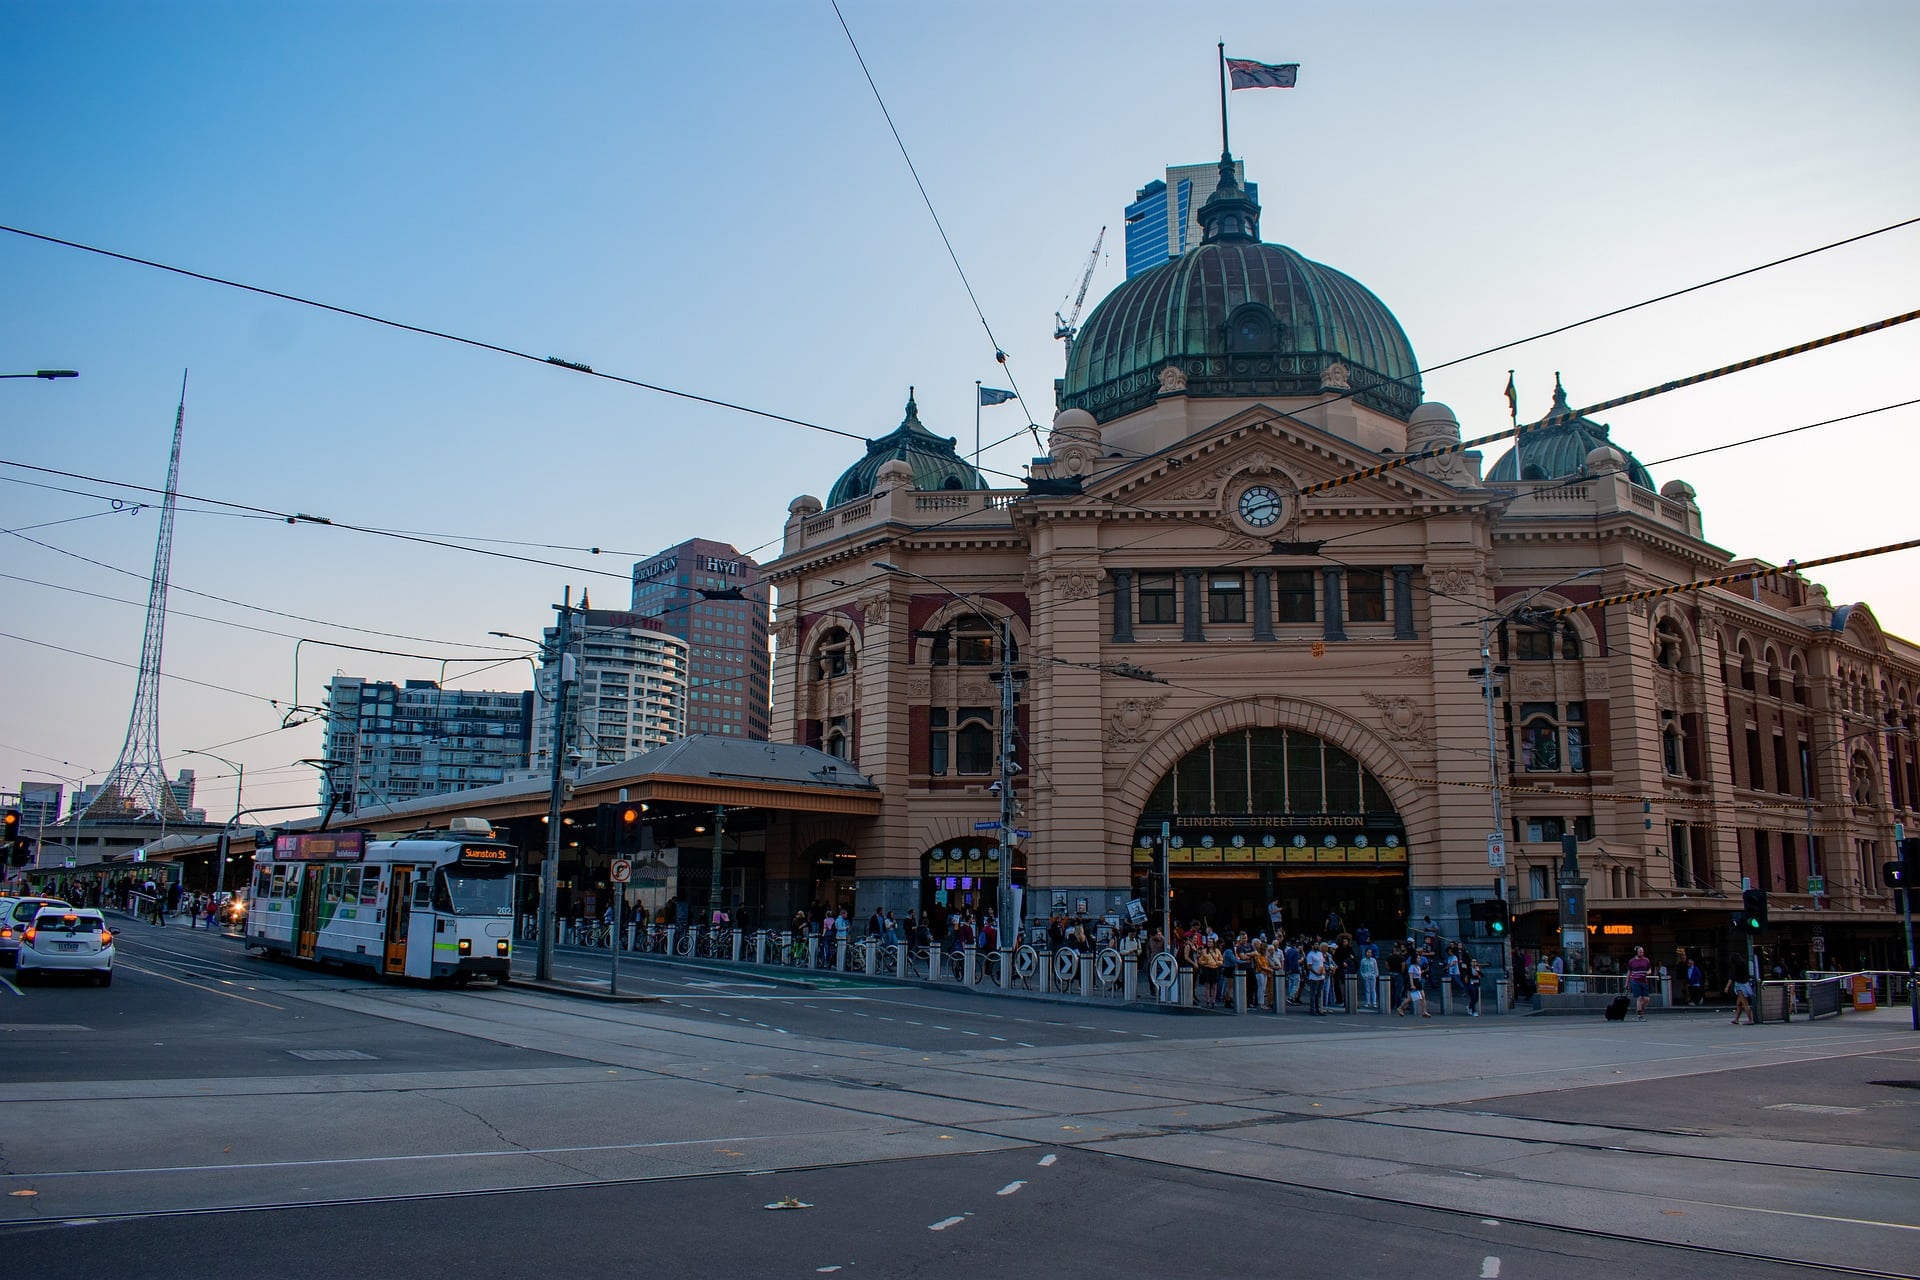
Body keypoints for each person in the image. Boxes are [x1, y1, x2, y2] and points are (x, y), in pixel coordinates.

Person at [1627, 945, 1654, 1020]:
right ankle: (1640, 1016)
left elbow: (1650, 969)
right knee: (1639, 998)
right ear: (1636, 952)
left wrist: (1648, 973)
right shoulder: (1632, 961)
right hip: (1635, 981)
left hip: (1644, 981)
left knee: (1646, 999)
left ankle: (1640, 1009)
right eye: (1640, 952)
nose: (1641, 953)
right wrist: (1627, 983)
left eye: (1642, 952)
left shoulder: (1646, 960)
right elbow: (1629, 972)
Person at [1303, 941, 1328, 1015]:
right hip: (1314, 977)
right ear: (1312, 946)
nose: (1317, 946)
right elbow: (1309, 967)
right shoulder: (1310, 955)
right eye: (1315, 944)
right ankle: (1312, 1009)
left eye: (1318, 944)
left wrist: (1323, 971)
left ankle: (1318, 1009)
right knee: (1313, 993)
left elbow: (1322, 963)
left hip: (1321, 976)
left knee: (1319, 994)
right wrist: (1316, 973)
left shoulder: (1320, 953)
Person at [1728, 958, 1756, 1025]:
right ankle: (1736, 1019)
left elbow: (1733, 977)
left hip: (1740, 986)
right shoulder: (1743, 967)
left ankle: (1750, 1020)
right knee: (1739, 1003)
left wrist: (1727, 986)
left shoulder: (1737, 969)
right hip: (1744, 984)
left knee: (1744, 1003)